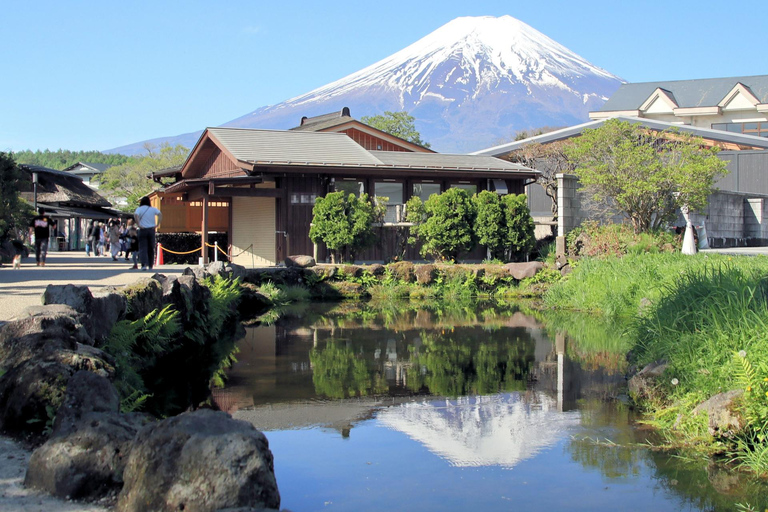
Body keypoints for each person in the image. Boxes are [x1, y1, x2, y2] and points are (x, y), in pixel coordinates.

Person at [134, 197, 162, 271]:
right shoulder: (152, 209)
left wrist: (139, 224)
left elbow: (136, 215)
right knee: (151, 248)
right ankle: (150, 265)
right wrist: (157, 224)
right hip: (151, 229)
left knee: (143, 248)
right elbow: (160, 214)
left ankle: (143, 265)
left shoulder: (139, 209)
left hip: (142, 229)